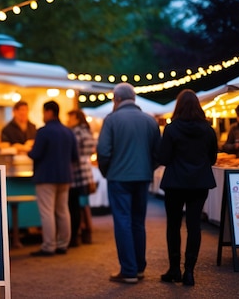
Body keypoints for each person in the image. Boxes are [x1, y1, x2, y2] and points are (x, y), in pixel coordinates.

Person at [97, 82, 160, 284]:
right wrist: (148, 169)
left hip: (119, 178)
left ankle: (129, 270)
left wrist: (107, 172)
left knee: (122, 221)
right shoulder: (150, 121)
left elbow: (103, 152)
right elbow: (158, 153)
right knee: (137, 222)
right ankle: (139, 267)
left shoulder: (111, 120)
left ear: (116, 99)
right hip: (142, 178)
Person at [158, 89, 217, 286]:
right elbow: (212, 159)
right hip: (199, 183)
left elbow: (164, 158)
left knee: (173, 226)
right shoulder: (208, 130)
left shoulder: (172, 129)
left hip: (175, 182)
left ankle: (174, 268)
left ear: (179, 106)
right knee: (194, 227)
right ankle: (189, 271)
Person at [28, 100, 78, 256]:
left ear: (49, 112)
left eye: (44, 112)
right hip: (65, 176)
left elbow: (35, 154)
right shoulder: (68, 131)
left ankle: (49, 246)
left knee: (47, 212)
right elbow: (75, 156)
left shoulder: (43, 131)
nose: (43, 116)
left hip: (46, 177)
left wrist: (28, 151)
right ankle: (63, 244)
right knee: (63, 211)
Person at [66, 109, 96, 247]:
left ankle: (74, 237)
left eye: (70, 118)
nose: (67, 121)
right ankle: (86, 234)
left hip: (76, 171)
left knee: (73, 206)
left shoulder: (76, 132)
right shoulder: (87, 131)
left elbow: (72, 152)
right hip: (86, 171)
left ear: (76, 118)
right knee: (82, 205)